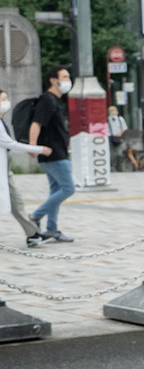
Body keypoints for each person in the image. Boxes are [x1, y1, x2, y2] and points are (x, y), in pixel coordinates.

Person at [27, 67, 74, 244]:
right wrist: (33, 146)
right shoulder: (47, 100)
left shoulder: (56, 100)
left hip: (57, 152)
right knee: (68, 188)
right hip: (52, 153)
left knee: (56, 190)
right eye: (64, 77)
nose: (68, 80)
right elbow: (36, 123)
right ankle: (34, 217)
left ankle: (52, 229)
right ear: (53, 80)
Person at [0, 89, 52, 244]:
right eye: (3, 99)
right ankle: (33, 234)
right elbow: (11, 144)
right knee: (15, 200)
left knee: (16, 202)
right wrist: (39, 149)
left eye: (6, 98)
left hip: (5, 167)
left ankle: (33, 234)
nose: (6, 102)